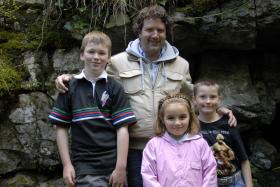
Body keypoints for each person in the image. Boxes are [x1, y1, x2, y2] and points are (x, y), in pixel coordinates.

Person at [54, 5, 236, 187]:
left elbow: (193, 100)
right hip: (133, 149)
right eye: (149, 29)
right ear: (139, 32)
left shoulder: (181, 65)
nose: (155, 35)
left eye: (160, 30)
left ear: (167, 33)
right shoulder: (118, 62)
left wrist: (217, 109)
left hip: (170, 147)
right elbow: (95, 77)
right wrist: (68, 78)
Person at [48, 31, 137, 187]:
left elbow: (122, 129)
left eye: (102, 53)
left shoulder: (115, 88)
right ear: (82, 55)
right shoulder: (69, 88)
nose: (96, 57)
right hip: (84, 168)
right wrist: (67, 165)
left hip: (113, 167)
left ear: (109, 58)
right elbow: (61, 128)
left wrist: (121, 168)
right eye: (91, 52)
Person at [141, 93, 217, 187]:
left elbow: (210, 173)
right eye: (171, 118)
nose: (177, 123)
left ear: (190, 117)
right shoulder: (153, 145)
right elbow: (148, 175)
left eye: (182, 117)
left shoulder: (200, 144)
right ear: (162, 119)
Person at [193, 80, 253, 187]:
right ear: (194, 99)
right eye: (202, 97)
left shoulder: (229, 123)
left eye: (212, 97)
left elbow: (243, 159)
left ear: (219, 99)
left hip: (234, 182)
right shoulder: (191, 126)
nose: (208, 101)